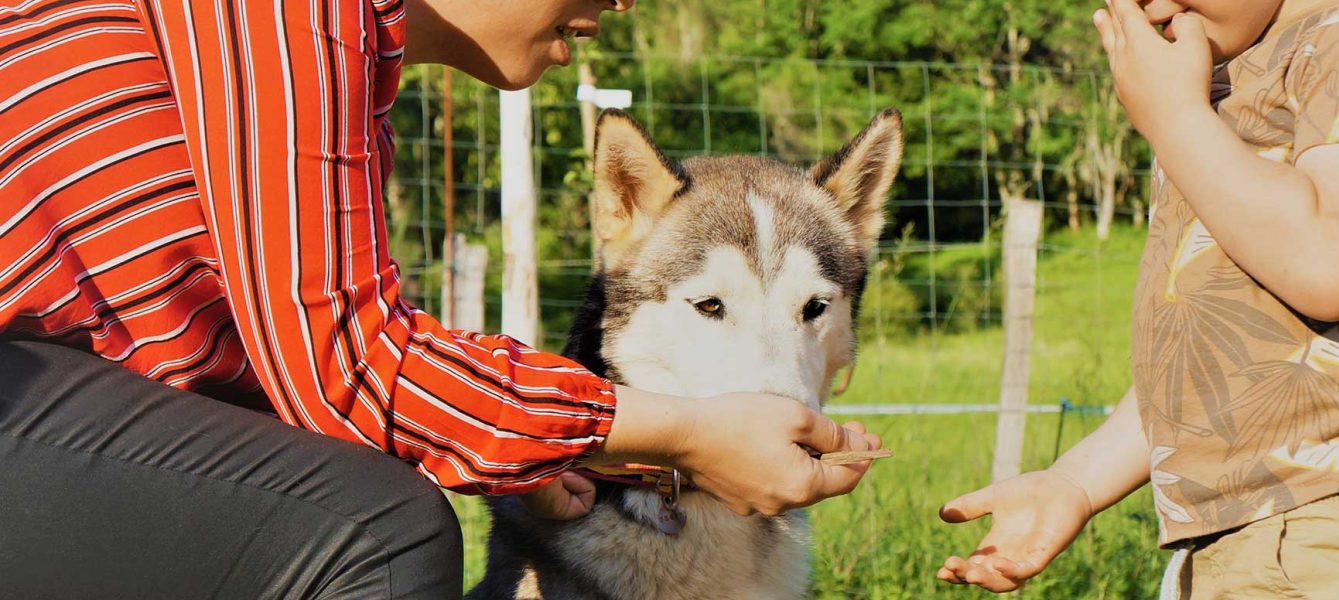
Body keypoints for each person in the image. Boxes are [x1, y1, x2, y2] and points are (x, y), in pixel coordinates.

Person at [0, 0, 880, 597]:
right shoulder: (293, 18)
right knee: (379, 531)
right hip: (21, 393)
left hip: (49, 400)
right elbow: (348, 364)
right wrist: (676, 436)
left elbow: (279, 368)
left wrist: (539, 450)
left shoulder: (345, 79)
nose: (623, 1)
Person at [937, 0, 1339, 597]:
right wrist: (1074, 483)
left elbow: (1336, 264)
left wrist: (1174, 117)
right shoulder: (1230, 82)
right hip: (1259, 542)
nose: (1153, 7)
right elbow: (1220, 371)